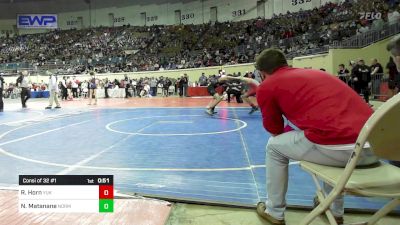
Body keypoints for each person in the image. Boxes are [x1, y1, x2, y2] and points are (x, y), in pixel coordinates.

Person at [254, 49, 378, 225]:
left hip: (340, 150)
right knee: (327, 141)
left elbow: (274, 129)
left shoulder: (267, 85)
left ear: (261, 72)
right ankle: (334, 211)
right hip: (373, 147)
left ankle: (274, 211)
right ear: (285, 64)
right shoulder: (315, 74)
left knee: (274, 146)